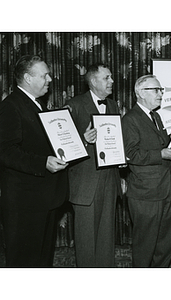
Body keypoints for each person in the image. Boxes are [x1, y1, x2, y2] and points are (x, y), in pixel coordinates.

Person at [0, 55, 68, 267]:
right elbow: (6, 151)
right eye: (44, 75)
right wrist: (42, 163)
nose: (50, 79)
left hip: (43, 199)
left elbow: (40, 143)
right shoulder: (11, 106)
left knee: (41, 260)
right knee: (24, 262)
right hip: (24, 204)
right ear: (28, 78)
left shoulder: (36, 105)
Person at [65, 63, 122, 267]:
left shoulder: (113, 105)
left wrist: (120, 157)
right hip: (85, 183)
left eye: (111, 77)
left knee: (106, 234)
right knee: (86, 238)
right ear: (93, 81)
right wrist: (83, 140)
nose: (112, 81)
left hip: (109, 179)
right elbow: (62, 145)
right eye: (107, 78)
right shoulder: (74, 105)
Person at [121, 74, 171, 267]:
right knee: (146, 243)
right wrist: (160, 154)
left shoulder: (156, 116)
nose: (160, 94)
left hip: (165, 187)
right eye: (155, 90)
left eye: (161, 90)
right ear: (140, 93)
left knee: (165, 241)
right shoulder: (131, 119)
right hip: (146, 192)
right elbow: (130, 154)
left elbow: (157, 144)